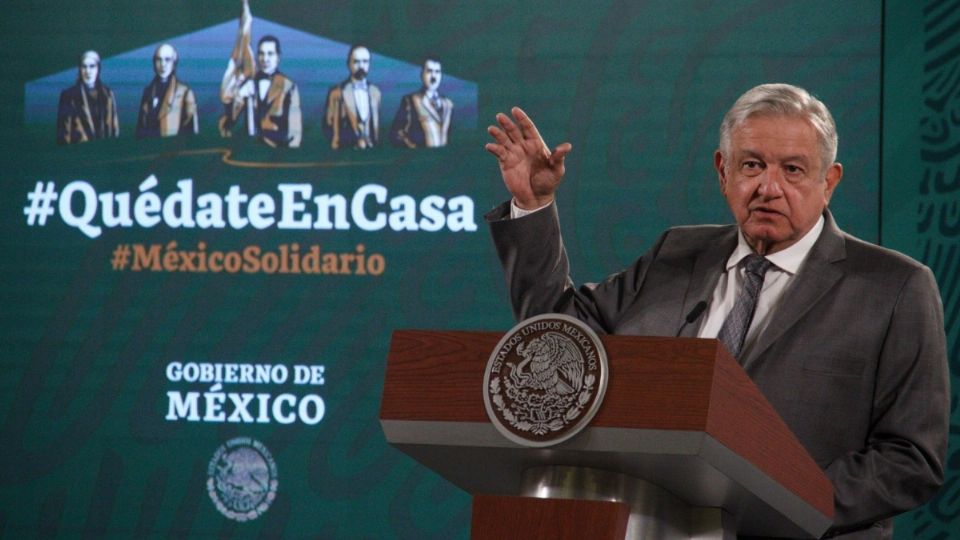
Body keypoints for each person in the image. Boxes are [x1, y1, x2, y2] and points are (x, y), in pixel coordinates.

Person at [484, 84, 948, 539]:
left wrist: (778, 499)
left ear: (829, 182)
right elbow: (555, 340)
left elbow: (911, 458)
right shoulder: (677, 252)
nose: (769, 187)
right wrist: (534, 203)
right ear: (722, 171)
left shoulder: (894, 288)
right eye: (752, 165)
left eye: (793, 170)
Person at [219, 1, 301, 148]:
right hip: (250, 148)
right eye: (261, 54)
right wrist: (239, 96)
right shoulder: (249, 81)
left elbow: (295, 128)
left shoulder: (288, 85)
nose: (265, 58)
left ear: (278, 57)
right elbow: (230, 118)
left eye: (270, 54)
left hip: (278, 148)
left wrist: (291, 149)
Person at [56, 50, 119, 145]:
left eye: (92, 66)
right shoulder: (68, 96)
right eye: (84, 67)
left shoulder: (108, 94)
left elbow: (114, 129)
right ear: (80, 69)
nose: (88, 71)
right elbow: (64, 134)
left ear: (98, 69)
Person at [324, 45, 381, 149]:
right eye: (356, 62)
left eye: (365, 61)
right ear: (348, 64)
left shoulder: (375, 92)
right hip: (345, 153)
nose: (361, 66)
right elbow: (329, 124)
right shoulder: (336, 92)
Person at [136, 43, 198, 138]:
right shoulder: (148, 92)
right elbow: (140, 128)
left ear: (174, 63)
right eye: (158, 60)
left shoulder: (185, 92)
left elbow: (192, 131)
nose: (162, 64)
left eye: (167, 60)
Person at [389, 58, 453, 148]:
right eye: (429, 71)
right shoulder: (410, 100)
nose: (434, 76)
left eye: (437, 72)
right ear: (422, 74)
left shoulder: (448, 104)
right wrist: (413, 148)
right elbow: (396, 133)